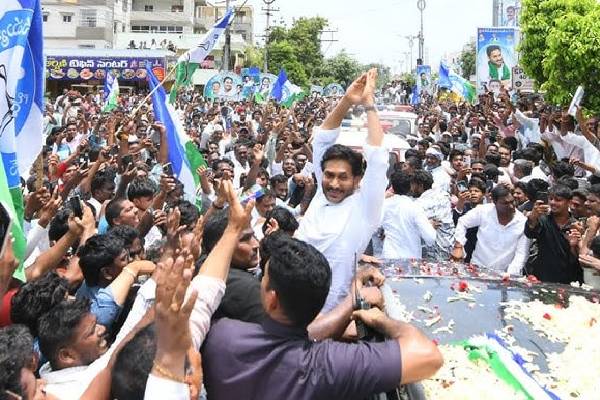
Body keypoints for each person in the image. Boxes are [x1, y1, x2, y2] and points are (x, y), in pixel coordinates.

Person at [202, 233, 443, 400]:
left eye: (262, 280)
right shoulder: (331, 363)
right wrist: (382, 320)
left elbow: (202, 295)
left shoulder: (221, 337)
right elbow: (428, 356)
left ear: (272, 299)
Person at [296, 69, 389, 311]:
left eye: (343, 178)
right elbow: (322, 140)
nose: (334, 184)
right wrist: (347, 101)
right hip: (294, 306)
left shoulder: (364, 208)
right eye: (329, 175)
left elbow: (378, 158)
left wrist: (369, 105)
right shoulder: (321, 196)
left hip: (332, 316)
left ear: (357, 180)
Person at [453, 185, 530, 275]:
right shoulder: (484, 211)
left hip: (504, 274)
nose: (511, 206)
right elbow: (462, 222)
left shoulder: (522, 222)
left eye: (512, 202)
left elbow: (521, 254)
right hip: (477, 269)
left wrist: (510, 274)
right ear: (495, 202)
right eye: (505, 203)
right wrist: (458, 246)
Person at [524, 185, 583, 283]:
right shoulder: (542, 220)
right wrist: (533, 218)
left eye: (558, 200)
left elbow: (579, 256)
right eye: (551, 199)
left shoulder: (576, 225)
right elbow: (530, 233)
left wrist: (575, 244)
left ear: (569, 202)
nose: (553, 203)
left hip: (569, 279)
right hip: (543, 276)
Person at [380, 171, 436, 259]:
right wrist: (429, 225)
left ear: (392, 187)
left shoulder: (384, 205)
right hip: (411, 258)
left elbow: (373, 227)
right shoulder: (415, 207)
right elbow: (430, 238)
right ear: (410, 187)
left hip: (389, 256)